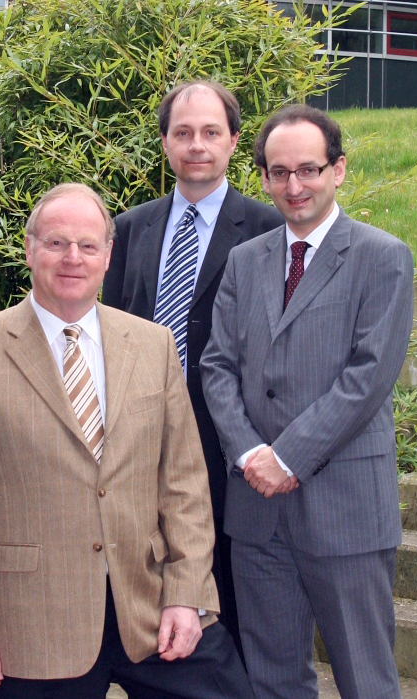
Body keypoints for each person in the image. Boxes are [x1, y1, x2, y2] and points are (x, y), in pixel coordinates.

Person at [0, 183, 253, 699]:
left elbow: (185, 484)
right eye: (56, 243)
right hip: (32, 623)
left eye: (87, 245)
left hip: (150, 607)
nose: (72, 258)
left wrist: (187, 593)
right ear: (29, 249)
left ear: (108, 255)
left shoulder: (153, 345)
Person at [201, 105, 413, 699]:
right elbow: (217, 366)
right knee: (272, 681)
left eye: (308, 170)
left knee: (366, 680)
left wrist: (287, 457)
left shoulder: (382, 256)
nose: (294, 186)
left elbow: (368, 377)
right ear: (264, 178)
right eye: (279, 172)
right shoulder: (245, 261)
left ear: (337, 170)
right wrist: (250, 454)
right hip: (257, 513)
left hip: (345, 511)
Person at [101, 80, 283, 652]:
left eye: (210, 132)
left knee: (231, 605)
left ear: (233, 141)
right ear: (164, 143)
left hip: (231, 448)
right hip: (139, 442)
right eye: (182, 133)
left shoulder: (270, 230)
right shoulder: (128, 229)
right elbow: (109, 334)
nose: (196, 145)